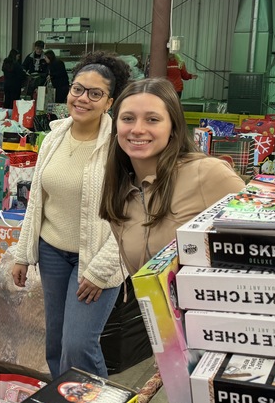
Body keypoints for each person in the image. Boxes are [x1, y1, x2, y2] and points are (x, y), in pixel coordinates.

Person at [10, 53, 131, 379]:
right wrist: (23, 254)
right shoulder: (53, 138)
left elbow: (130, 219)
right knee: (56, 342)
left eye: (95, 93)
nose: (83, 99)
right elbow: (37, 201)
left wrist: (102, 270)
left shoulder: (121, 147)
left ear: (110, 102)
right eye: (78, 89)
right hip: (51, 252)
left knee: (79, 344)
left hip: (95, 258)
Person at [100, 77, 245, 274]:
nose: (137, 129)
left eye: (152, 119)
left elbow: (264, 243)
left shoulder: (209, 174)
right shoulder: (120, 187)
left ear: (173, 127)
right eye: (127, 118)